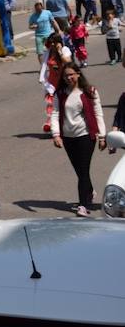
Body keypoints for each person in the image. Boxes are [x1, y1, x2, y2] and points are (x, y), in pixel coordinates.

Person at [51, 63, 107, 217]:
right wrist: (56, 134)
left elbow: (98, 114)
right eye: (66, 75)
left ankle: (83, 205)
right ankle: (88, 191)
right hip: (68, 138)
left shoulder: (89, 91)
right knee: (80, 170)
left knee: (83, 171)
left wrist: (102, 136)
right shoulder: (60, 93)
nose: (69, 78)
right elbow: (55, 113)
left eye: (71, 74)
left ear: (78, 74)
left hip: (86, 137)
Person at [39, 34, 73, 133]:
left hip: (63, 82)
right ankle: (52, 125)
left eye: (55, 42)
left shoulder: (65, 50)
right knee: (52, 106)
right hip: (51, 84)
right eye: (51, 42)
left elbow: (68, 62)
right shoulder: (48, 53)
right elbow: (44, 66)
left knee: (65, 105)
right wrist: (42, 78)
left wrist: (59, 52)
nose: (52, 45)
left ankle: (65, 125)